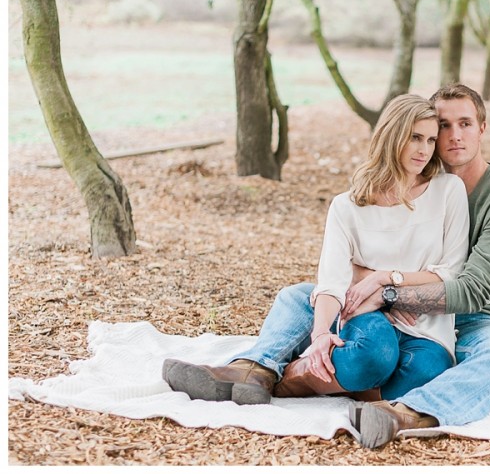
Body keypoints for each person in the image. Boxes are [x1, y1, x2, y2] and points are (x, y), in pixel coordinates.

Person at [162, 94, 469, 405]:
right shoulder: (347, 206)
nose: (424, 149)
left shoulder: (448, 191)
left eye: (431, 140)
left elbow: (450, 273)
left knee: (425, 373)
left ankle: (282, 378)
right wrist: (321, 334)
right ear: (391, 136)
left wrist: (385, 280)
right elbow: (333, 281)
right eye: (415, 137)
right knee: (374, 355)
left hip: (425, 328)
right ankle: (254, 369)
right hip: (365, 314)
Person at [341, 83, 490, 448]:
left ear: (482, 128)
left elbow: (473, 291)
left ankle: (408, 413)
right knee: (300, 296)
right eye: (443, 126)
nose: (454, 136)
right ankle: (256, 369)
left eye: (465, 123)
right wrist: (366, 289)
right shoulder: (410, 183)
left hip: (477, 320)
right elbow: (355, 256)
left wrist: (386, 294)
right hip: (405, 310)